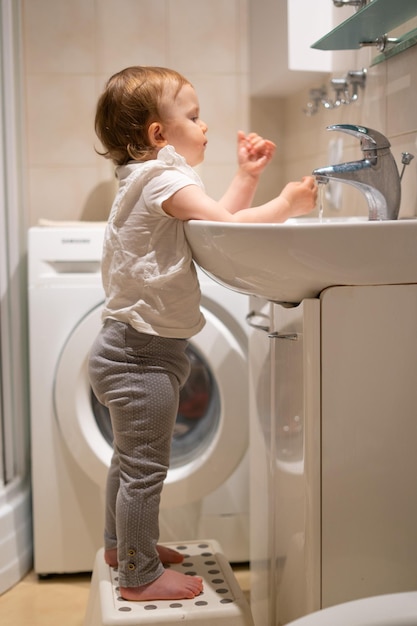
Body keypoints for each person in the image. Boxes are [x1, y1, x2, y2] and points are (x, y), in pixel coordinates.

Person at [88, 65, 318, 603]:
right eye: (193, 116)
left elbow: (212, 223)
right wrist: (286, 205)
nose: (206, 124)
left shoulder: (145, 179)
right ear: (158, 135)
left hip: (129, 349)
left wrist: (248, 178)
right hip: (140, 358)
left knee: (129, 462)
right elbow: (229, 229)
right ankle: (139, 575)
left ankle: (122, 548)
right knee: (144, 470)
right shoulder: (165, 179)